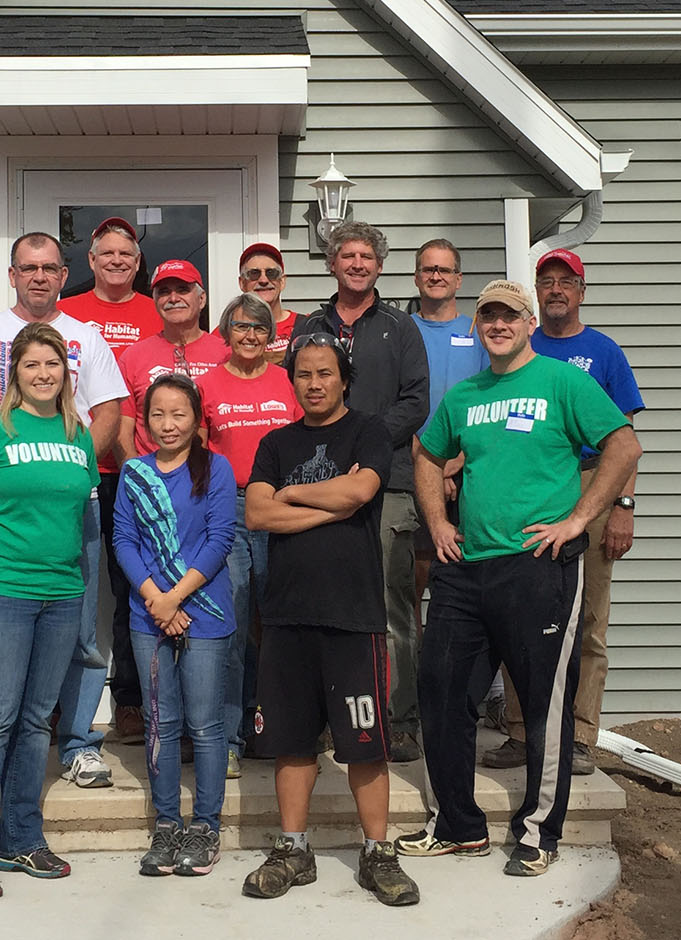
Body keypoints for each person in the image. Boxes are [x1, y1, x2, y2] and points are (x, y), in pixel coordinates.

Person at [399, 280, 641, 878]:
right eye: (488, 317)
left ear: (528, 322)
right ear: (478, 326)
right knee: (442, 691)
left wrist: (581, 518)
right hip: (467, 566)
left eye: (509, 316)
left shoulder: (564, 382)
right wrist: (436, 521)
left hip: (538, 567)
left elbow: (624, 446)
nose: (498, 325)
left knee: (542, 703)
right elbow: (427, 455)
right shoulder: (466, 394)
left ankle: (538, 832)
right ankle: (457, 826)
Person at [0, 232, 127, 789]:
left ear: (64, 275)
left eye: (49, 268)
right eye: (29, 268)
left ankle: (79, 743)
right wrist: (17, 466)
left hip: (76, 504)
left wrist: (66, 470)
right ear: (12, 274)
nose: (39, 276)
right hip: (0, 505)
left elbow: (109, 412)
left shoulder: (86, 339)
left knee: (83, 633)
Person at [241, 333, 420, 907]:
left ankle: (377, 854)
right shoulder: (274, 441)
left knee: (366, 745)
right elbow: (256, 511)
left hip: (353, 616)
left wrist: (292, 497)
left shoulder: (367, 431)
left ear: (343, 378)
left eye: (324, 373)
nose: (314, 384)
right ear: (290, 382)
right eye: (303, 375)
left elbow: (363, 490)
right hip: (288, 616)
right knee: (292, 743)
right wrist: (329, 502)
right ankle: (294, 849)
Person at [0, 323, 99, 901]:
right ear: (15, 375)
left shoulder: (78, 434)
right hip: (1, 592)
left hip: (61, 593)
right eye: (31, 365)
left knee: (36, 722)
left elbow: (79, 520)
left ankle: (21, 838)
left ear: (66, 373)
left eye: (52, 365)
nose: (43, 374)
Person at [483, 249, 644, 776]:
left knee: (588, 617)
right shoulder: (513, 347)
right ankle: (521, 730)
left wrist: (622, 505)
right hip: (530, 486)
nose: (556, 289)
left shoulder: (602, 351)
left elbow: (624, 436)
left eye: (565, 282)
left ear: (581, 291)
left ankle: (578, 735)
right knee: (516, 613)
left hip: (592, 483)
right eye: (546, 281)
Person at [291, 220, 429, 762]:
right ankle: (328, 718)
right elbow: (298, 389)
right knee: (326, 603)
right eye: (347, 256)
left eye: (365, 257)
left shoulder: (400, 326)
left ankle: (401, 720)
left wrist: (365, 445)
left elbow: (416, 399)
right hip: (318, 480)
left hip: (388, 482)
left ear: (378, 265)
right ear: (332, 264)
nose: (356, 264)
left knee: (393, 608)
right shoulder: (311, 324)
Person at [113, 375, 235, 877]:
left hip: (205, 612)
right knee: (161, 724)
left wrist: (175, 597)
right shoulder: (134, 473)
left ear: (197, 419)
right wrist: (155, 601)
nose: (168, 424)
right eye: (157, 414)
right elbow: (124, 540)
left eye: (178, 414)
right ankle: (166, 825)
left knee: (206, 726)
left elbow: (220, 537)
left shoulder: (217, 468)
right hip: (148, 617)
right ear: (144, 422)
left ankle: (205, 826)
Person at [61, 216, 160, 743]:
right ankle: (56, 701)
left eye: (127, 254)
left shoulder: (155, 312)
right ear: (92, 261)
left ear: (137, 262)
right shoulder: (68, 314)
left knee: (131, 589)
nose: (118, 261)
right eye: (108, 254)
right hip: (71, 467)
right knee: (64, 588)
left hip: (136, 471)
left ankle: (130, 700)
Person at [199, 292, 301, 777]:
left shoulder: (288, 382)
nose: (250, 335)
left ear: (271, 336)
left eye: (259, 328)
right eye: (240, 326)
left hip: (283, 506)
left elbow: (308, 445)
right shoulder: (207, 385)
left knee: (283, 621)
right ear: (226, 331)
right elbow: (197, 454)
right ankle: (229, 738)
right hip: (230, 510)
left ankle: (285, 732)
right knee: (234, 624)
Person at [409, 239, 489, 627]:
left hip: (470, 473)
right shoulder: (401, 329)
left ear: (458, 279)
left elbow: (492, 400)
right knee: (412, 584)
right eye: (428, 269)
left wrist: (453, 464)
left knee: (467, 588)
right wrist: (430, 466)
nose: (435, 276)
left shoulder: (479, 332)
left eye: (444, 270)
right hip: (413, 468)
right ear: (416, 277)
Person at [116, 258, 228, 461]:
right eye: (164, 292)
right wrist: (137, 477)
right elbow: (122, 431)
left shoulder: (225, 353)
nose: (173, 298)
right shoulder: (132, 357)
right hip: (152, 478)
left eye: (183, 289)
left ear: (201, 299)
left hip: (211, 478)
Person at [238, 242, 298, 361]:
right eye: (254, 273)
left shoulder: (306, 326)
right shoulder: (225, 334)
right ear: (242, 283)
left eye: (271, 273)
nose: (264, 280)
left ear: (282, 282)